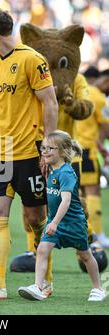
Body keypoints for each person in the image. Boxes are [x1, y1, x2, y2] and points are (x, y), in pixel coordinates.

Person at [0, 7, 58, 299]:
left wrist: (49, 147)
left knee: (33, 217)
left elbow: (51, 104)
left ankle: (45, 281)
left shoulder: (32, 59)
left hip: (29, 150)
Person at [18, 130, 106, 302]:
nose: (44, 151)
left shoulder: (66, 172)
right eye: (43, 148)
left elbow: (65, 201)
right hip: (55, 222)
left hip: (73, 223)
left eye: (50, 148)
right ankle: (38, 287)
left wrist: (55, 223)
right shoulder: (51, 169)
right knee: (42, 250)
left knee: (85, 255)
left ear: (62, 151)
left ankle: (98, 289)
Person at [74, 66, 109, 248]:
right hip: (87, 150)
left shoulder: (75, 91)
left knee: (76, 195)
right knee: (93, 192)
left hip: (72, 149)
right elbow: (105, 126)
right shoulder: (97, 96)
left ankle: (82, 234)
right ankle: (98, 235)